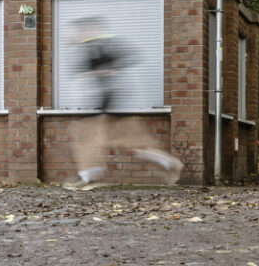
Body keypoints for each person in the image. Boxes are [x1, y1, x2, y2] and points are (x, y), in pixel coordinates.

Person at [65, 16, 183, 190]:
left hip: (107, 101)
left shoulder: (102, 46)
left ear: (88, 30)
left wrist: (104, 72)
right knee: (125, 143)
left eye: (78, 31)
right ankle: (168, 162)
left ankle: (89, 177)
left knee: (88, 138)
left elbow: (129, 56)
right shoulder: (90, 47)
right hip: (105, 102)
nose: (75, 35)